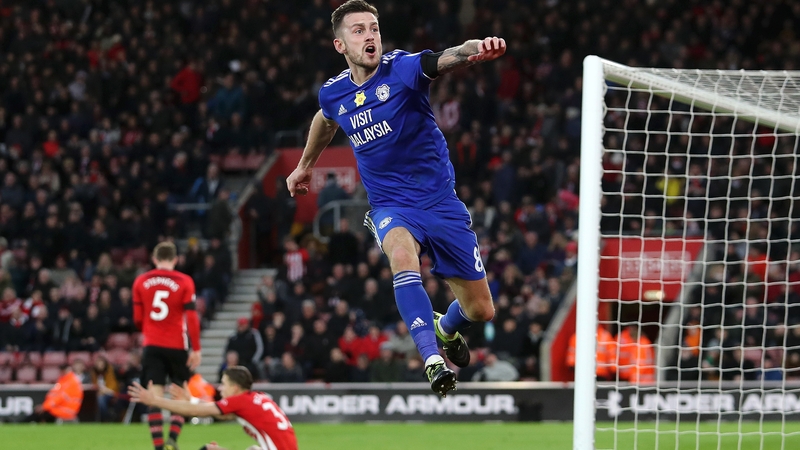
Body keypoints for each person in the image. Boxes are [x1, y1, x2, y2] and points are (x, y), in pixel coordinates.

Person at [286, 0, 506, 397]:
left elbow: (446, 58)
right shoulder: (334, 93)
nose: (370, 35)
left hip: (441, 203)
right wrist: (304, 165)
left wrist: (478, 48)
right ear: (341, 46)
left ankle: (446, 327)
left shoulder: (401, 70)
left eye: (374, 27)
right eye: (359, 30)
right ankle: (432, 359)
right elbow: (325, 118)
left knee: (481, 311)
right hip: (391, 206)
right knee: (402, 258)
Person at [132, 241, 202, 450]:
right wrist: (196, 348)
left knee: (154, 395)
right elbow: (192, 318)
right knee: (179, 394)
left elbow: (137, 318)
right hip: (177, 345)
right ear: (175, 260)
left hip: (152, 344)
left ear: (154, 259)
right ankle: (172, 440)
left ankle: (158, 446)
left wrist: (149, 329)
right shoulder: (185, 281)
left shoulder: (141, 281)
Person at [129, 366, 298, 450]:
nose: (220, 389)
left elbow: (197, 412)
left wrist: (156, 400)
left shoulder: (240, 401)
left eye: (224, 384)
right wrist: (192, 399)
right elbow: (223, 415)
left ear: (235, 388)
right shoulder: (257, 398)